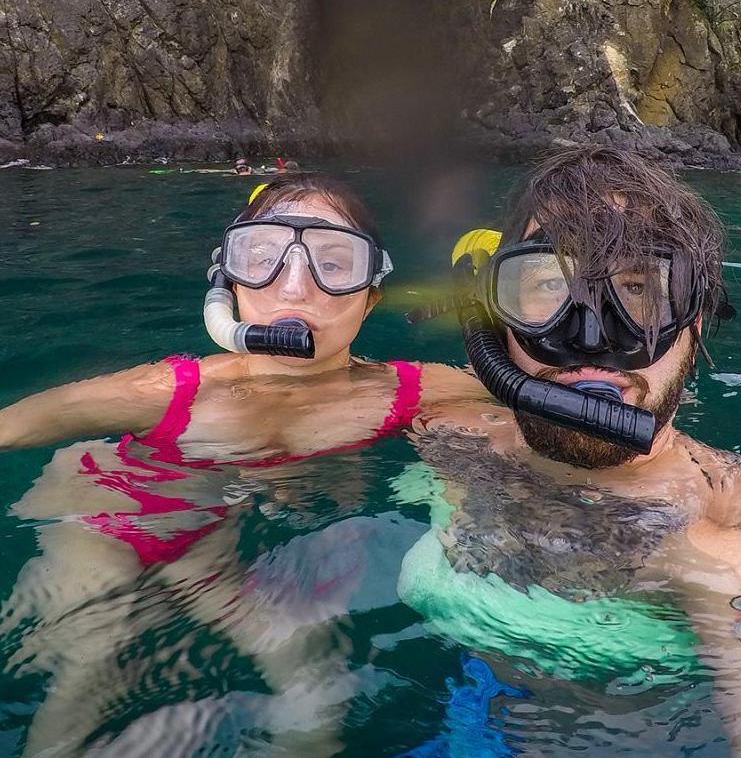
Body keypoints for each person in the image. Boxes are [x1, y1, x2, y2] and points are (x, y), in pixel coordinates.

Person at [395, 145, 741, 756]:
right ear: (496, 325)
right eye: (546, 284)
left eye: (640, 288)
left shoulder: (709, 530)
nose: (591, 335)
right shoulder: (451, 426)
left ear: (693, 327)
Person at [0, 172, 483, 754]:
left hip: (229, 552)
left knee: (318, 698)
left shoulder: (412, 391)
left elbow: (544, 407)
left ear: (371, 297)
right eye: (263, 258)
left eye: (334, 264)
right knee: (88, 670)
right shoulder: (172, 389)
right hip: (114, 513)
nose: (295, 288)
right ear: (227, 285)